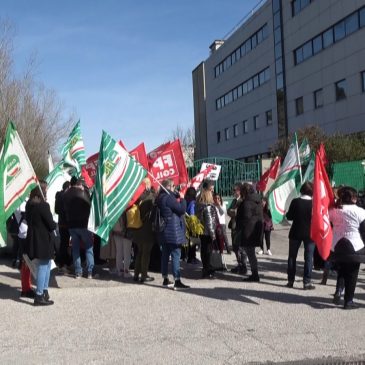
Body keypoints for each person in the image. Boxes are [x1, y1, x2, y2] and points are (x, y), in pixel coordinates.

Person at [329, 186, 365, 309]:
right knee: (352, 275)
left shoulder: (333, 210)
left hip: (337, 245)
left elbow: (327, 225)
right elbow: (364, 232)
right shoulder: (360, 211)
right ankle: (348, 301)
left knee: (342, 271)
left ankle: (338, 290)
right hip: (355, 245)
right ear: (353, 198)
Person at [25, 183, 57, 305]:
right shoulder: (43, 206)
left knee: (46, 265)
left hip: (35, 239)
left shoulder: (30, 205)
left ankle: (44, 291)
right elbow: (51, 224)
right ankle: (39, 295)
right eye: (45, 192)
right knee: (44, 267)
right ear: (41, 193)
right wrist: (55, 224)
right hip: (43, 240)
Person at [157, 178, 189, 289]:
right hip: (173, 230)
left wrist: (175, 195)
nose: (174, 188)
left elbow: (171, 205)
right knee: (176, 254)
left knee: (165, 254)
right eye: (173, 186)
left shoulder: (160, 197)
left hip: (164, 230)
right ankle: (177, 280)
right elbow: (181, 209)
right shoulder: (168, 198)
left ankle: (165, 278)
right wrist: (183, 199)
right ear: (169, 187)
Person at [286, 181, 315, 290]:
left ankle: (290, 280)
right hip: (310, 234)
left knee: (292, 257)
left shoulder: (295, 202)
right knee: (308, 258)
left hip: (295, 232)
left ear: (301, 190)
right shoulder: (314, 203)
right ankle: (307, 282)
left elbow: (289, 217)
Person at [64, 178, 95, 279]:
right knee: (89, 247)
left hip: (71, 225)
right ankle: (90, 271)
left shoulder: (66, 194)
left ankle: (78, 272)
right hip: (83, 224)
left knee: (75, 249)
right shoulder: (83, 193)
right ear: (79, 184)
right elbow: (89, 207)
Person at [236, 183, 263, 282]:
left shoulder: (246, 202)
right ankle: (254, 273)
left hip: (248, 230)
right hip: (257, 229)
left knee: (250, 253)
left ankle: (255, 274)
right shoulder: (258, 200)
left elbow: (245, 217)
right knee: (251, 253)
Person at [131, 178, 156, 283]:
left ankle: (136, 274)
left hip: (138, 228)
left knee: (139, 253)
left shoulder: (136, 197)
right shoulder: (150, 196)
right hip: (147, 229)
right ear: (147, 185)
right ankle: (144, 275)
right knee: (146, 253)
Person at [196, 180, 218, 279]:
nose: (212, 192)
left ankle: (205, 268)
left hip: (201, 231)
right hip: (207, 232)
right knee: (208, 252)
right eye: (211, 190)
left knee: (203, 250)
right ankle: (207, 270)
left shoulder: (199, 203)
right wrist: (213, 235)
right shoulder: (208, 206)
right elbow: (209, 222)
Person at [227, 182, 247, 274]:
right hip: (234, 226)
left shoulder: (242, 201)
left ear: (239, 191)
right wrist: (232, 212)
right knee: (235, 248)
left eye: (235, 190)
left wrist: (233, 212)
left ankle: (243, 266)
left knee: (241, 248)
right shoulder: (235, 200)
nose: (233, 191)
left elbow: (236, 213)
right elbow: (229, 211)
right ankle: (239, 265)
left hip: (239, 227)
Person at [54, 180, 71, 271]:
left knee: (63, 243)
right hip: (66, 223)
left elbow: (56, 210)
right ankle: (63, 264)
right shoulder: (66, 196)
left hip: (60, 222)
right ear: (68, 187)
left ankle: (61, 262)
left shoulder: (58, 196)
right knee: (65, 244)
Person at [185, 187, 198, 264]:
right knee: (193, 241)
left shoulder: (186, 200)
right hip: (192, 223)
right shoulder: (193, 202)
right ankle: (192, 257)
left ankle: (188, 256)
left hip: (186, 222)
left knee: (188, 241)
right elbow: (192, 213)